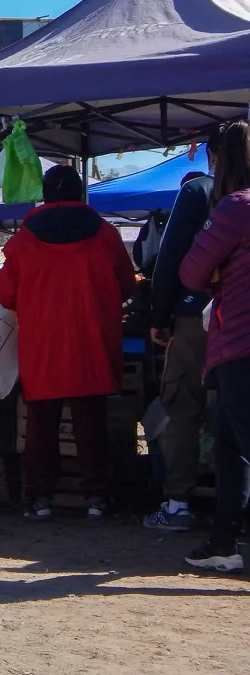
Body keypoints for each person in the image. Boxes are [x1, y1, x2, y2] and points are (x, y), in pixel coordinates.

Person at [0, 165, 136, 522]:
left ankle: (38, 498)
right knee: (91, 424)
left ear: (44, 196)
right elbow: (127, 285)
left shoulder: (24, 240)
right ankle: (97, 498)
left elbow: (4, 293)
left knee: (40, 426)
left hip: (43, 344)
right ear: (81, 193)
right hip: (91, 341)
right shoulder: (106, 234)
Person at [178, 119, 250, 574]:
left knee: (239, 442)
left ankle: (225, 540)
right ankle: (224, 540)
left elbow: (191, 271)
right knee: (229, 443)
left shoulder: (234, 209)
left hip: (240, 342)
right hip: (236, 344)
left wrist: (218, 274)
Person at [144, 127, 225, 532]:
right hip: (240, 320)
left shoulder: (197, 192)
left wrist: (159, 316)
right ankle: (236, 507)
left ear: (211, 155)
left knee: (184, 407)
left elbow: (170, 258)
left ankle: (178, 504)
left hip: (197, 317)